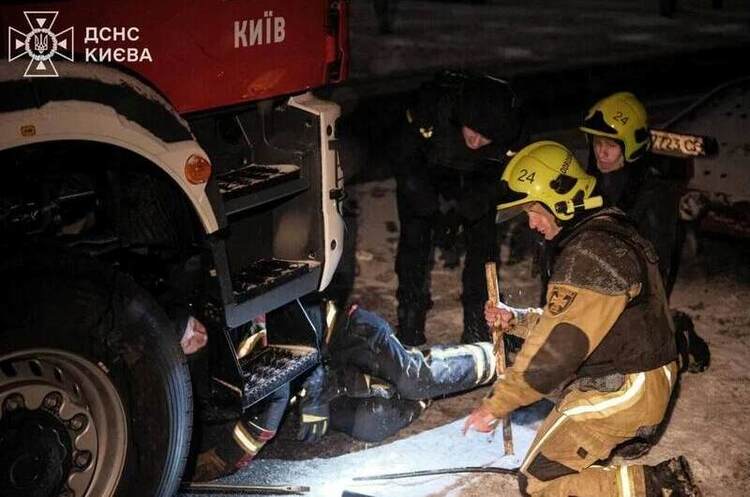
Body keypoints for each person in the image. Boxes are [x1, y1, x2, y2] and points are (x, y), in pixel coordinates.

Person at [464, 141, 702, 497]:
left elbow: (557, 352)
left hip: (626, 387)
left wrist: (496, 405)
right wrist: (514, 319)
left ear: (558, 199)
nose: (531, 223)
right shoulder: (604, 230)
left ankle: (661, 486)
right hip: (635, 376)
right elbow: (574, 321)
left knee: (538, 482)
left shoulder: (589, 255)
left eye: (533, 210)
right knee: (549, 464)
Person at [190, 302, 497, 481]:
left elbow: (274, 394)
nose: (194, 335)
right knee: (371, 423)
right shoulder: (198, 370)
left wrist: (221, 460)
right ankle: (416, 396)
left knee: (413, 380)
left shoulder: (227, 322)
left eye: (189, 327)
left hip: (347, 335)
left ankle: (493, 357)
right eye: (185, 339)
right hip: (328, 382)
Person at [579, 92, 709, 373]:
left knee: (631, 359)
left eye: (610, 146)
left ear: (630, 146)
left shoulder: (654, 194)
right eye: (597, 143)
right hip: (598, 283)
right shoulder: (588, 183)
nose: (601, 153)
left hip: (635, 291)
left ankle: (681, 336)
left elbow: (656, 268)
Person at [392, 70, 525, 346]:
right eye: (472, 132)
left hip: (477, 179)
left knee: (484, 243)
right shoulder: (430, 110)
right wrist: (432, 210)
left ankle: (478, 322)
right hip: (427, 170)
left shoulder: (510, 133)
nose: (475, 142)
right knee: (414, 238)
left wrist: (464, 211)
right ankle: (410, 317)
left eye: (485, 138)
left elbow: (505, 182)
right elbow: (406, 165)